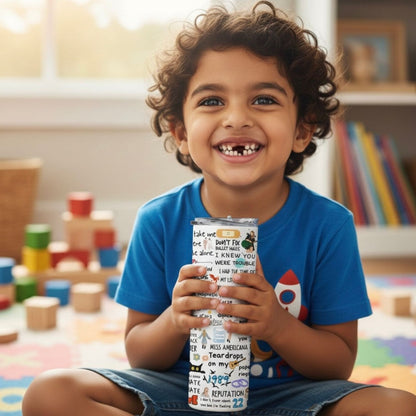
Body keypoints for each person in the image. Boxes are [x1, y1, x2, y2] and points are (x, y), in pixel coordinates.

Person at [22, 2, 416, 415]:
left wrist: (277, 326)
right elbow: (140, 354)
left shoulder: (328, 225)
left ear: (302, 129)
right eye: (212, 101)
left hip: (291, 400)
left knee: (399, 407)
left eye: (264, 99)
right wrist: (174, 320)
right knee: (51, 393)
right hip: (180, 392)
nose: (236, 118)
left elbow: (337, 364)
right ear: (180, 132)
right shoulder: (159, 220)